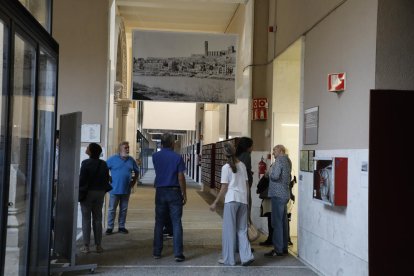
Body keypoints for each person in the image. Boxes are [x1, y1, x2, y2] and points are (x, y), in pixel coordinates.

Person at [210, 142, 254, 266]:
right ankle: (246, 256)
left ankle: (229, 259)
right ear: (234, 151)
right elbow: (246, 185)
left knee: (229, 231)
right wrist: (247, 201)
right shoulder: (243, 165)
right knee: (242, 230)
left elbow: (224, 187)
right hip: (243, 201)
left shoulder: (225, 168)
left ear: (224, 153)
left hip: (231, 201)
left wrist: (215, 202)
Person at [152, 133, 187, 262]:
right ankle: (178, 253)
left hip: (160, 192)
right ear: (173, 143)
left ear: (161, 143)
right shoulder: (177, 157)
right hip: (174, 192)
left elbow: (159, 172)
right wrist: (184, 193)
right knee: (176, 222)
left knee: (159, 223)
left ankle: (157, 252)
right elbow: (180, 177)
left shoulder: (155, 156)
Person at [79, 143, 110, 253]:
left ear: (91, 152)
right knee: (98, 219)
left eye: (88, 148)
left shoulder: (85, 163)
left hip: (88, 193)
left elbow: (82, 180)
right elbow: (107, 179)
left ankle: (86, 246)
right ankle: (98, 246)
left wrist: (80, 193)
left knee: (86, 219)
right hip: (100, 193)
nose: (86, 148)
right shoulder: (103, 164)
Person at [106, 141, 139, 235]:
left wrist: (133, 182)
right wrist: (108, 178)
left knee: (123, 209)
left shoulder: (131, 160)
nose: (127, 149)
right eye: (126, 148)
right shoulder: (112, 159)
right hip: (114, 189)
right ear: (120, 149)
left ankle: (121, 226)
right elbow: (104, 169)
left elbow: (137, 171)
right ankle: (110, 227)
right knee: (112, 209)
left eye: (128, 148)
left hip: (126, 189)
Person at [264, 144, 292, 257]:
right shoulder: (288, 160)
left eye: (274, 150)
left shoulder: (279, 161)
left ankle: (278, 249)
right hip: (285, 194)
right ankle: (284, 247)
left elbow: (275, 176)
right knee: (284, 222)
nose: (273, 152)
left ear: (281, 150)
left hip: (277, 194)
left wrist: (269, 171)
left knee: (277, 222)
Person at [236, 137, 253, 222]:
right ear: (247, 147)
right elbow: (244, 170)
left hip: (236, 188)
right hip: (244, 187)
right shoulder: (246, 155)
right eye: (251, 146)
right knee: (246, 212)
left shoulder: (236, 155)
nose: (252, 148)